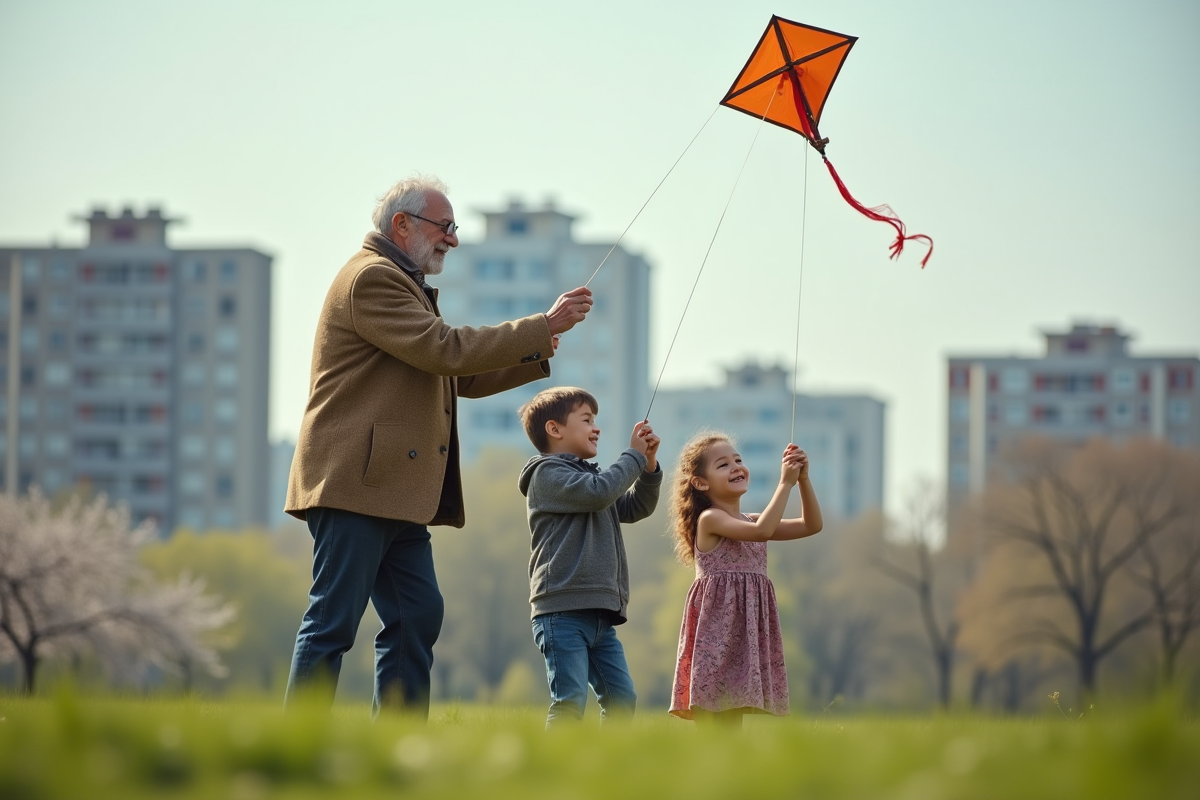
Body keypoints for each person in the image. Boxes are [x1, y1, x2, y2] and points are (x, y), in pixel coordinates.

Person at [284, 175, 593, 717]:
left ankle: (400, 741)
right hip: (355, 484)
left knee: (417, 616)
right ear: (402, 224)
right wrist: (539, 325)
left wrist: (539, 343)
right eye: (445, 226)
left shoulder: (399, 282)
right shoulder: (372, 279)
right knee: (333, 622)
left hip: (394, 489)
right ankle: (294, 744)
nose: (453, 238)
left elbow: (453, 373)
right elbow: (444, 351)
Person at [516, 386, 663, 727]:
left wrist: (648, 466)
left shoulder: (590, 478)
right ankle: (555, 759)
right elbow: (600, 493)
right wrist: (632, 456)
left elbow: (635, 507)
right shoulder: (547, 475)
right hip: (562, 611)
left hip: (598, 614)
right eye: (586, 420)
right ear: (555, 429)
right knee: (569, 701)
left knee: (622, 699)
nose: (596, 428)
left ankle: (605, 759)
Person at [668, 432, 823, 726]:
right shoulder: (710, 519)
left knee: (732, 720)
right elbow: (763, 532)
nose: (736, 467)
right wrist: (784, 483)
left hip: (745, 634)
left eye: (738, 460)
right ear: (700, 483)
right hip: (717, 638)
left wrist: (803, 480)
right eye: (723, 464)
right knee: (713, 718)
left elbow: (811, 525)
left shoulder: (752, 520)